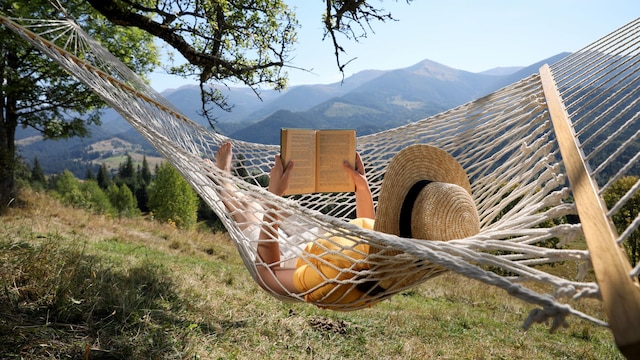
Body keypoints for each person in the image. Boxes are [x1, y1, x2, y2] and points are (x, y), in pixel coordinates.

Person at [214, 141, 480, 308]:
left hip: (284, 258)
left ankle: (222, 180)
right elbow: (372, 234)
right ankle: (235, 189)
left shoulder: (337, 277)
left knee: (248, 209)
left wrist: (274, 198)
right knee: (255, 204)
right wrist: (361, 186)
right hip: (317, 238)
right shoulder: (396, 255)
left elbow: (268, 275)